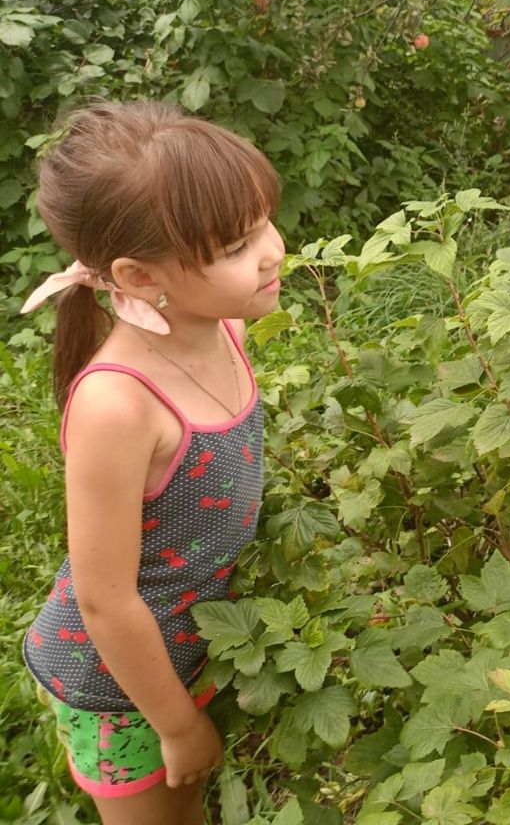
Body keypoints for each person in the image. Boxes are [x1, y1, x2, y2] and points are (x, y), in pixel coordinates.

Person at [18, 101, 285, 825]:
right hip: (125, 686)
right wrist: (174, 722)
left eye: (264, 221)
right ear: (137, 277)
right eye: (235, 245)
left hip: (199, 639)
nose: (271, 251)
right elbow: (106, 599)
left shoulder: (221, 323)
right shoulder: (118, 406)